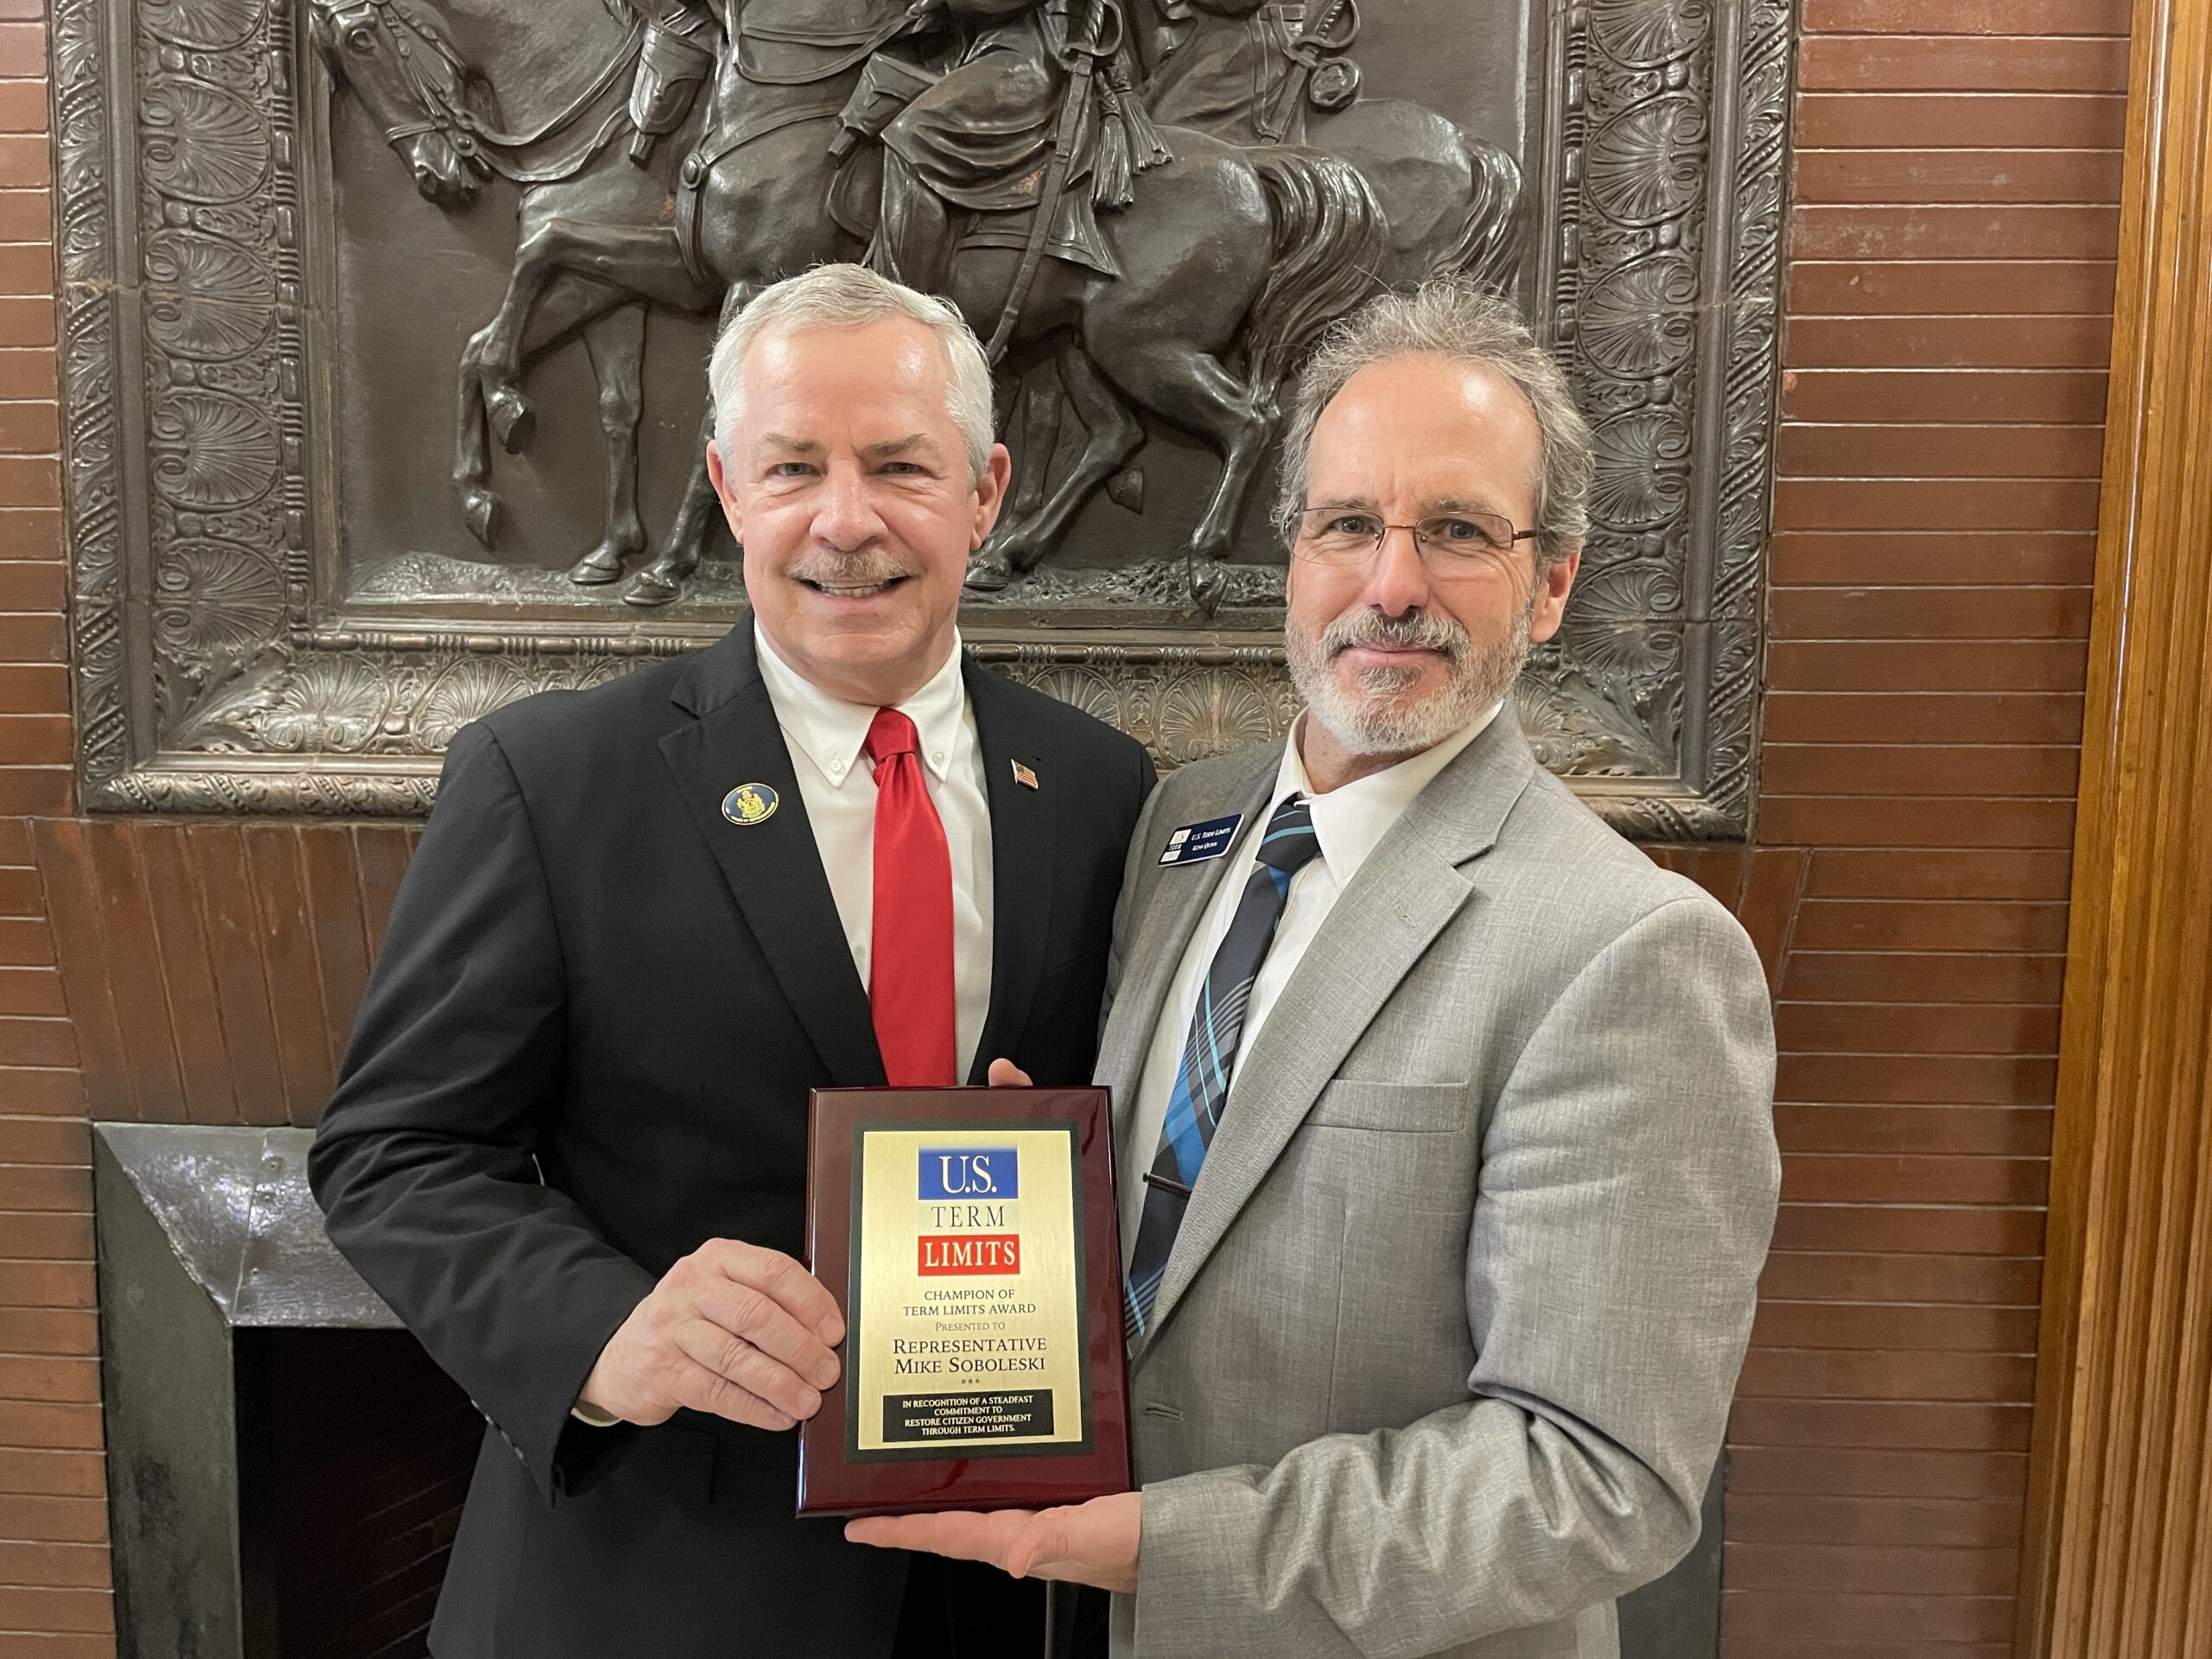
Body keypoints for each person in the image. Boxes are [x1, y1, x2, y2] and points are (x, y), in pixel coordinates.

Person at [849, 280, 1782, 1658]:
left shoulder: (1631, 952)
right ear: (1293, 552)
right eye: (1349, 524)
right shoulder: (1188, 823)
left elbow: (1600, 1479)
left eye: (1456, 531)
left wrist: (1168, 1545)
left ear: (1553, 584)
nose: (1391, 585)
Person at [308, 264, 1155, 1659]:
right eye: (792, 467)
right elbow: (393, 1153)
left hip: (1003, 1583)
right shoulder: (552, 779)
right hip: (657, 1581)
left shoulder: (1101, 785)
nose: (846, 520)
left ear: (987, 490)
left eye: (899, 465)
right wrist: (604, 1333)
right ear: (727, 486)